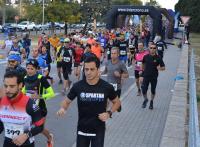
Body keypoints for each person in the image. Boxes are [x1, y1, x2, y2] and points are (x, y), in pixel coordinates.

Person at [57, 55, 121, 147]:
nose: (88, 72)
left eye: (92, 69)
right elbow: (67, 101)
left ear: (98, 69)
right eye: (86, 69)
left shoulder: (106, 87)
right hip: (82, 130)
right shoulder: (78, 86)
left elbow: (117, 102)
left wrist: (109, 113)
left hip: (98, 130)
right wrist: (63, 108)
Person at [0, 70, 45, 147]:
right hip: (8, 143)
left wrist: (26, 135)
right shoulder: (1, 102)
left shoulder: (30, 104)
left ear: (20, 85)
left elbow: (40, 127)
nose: (7, 90)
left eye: (12, 86)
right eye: (6, 86)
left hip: (26, 144)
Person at [22, 59, 55, 147]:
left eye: (31, 69)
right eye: (27, 68)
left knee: (40, 128)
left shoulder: (41, 79)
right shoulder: (25, 78)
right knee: (26, 127)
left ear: (36, 69)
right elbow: (23, 90)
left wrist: (39, 96)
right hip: (29, 108)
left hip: (40, 108)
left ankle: (49, 138)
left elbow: (51, 93)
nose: (29, 70)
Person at [140, 43, 165, 109]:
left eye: (154, 48)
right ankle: (145, 99)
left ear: (156, 49)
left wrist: (159, 68)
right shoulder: (146, 57)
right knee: (144, 90)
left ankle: (151, 102)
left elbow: (163, 67)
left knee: (153, 90)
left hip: (154, 77)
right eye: (151, 48)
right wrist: (142, 75)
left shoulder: (158, 57)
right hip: (146, 76)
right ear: (149, 48)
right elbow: (143, 66)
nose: (152, 49)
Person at [103, 47, 129, 112]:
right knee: (106, 100)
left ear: (118, 54)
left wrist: (120, 75)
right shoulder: (108, 62)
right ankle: (106, 113)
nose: (113, 55)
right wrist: (100, 73)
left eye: (114, 53)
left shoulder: (121, 64)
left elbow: (127, 75)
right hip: (108, 85)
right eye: (112, 53)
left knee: (116, 103)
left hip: (117, 87)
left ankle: (118, 105)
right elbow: (105, 71)